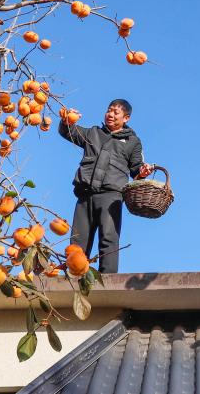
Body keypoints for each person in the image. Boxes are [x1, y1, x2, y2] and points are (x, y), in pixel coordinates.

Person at [58, 99, 151, 274]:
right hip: (85, 194)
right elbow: (69, 132)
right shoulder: (93, 133)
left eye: (116, 112)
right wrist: (67, 120)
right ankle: (75, 276)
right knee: (78, 240)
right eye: (109, 110)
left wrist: (143, 172)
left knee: (108, 237)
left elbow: (136, 169)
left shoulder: (132, 142)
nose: (111, 114)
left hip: (112, 196)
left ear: (126, 118)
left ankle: (107, 278)